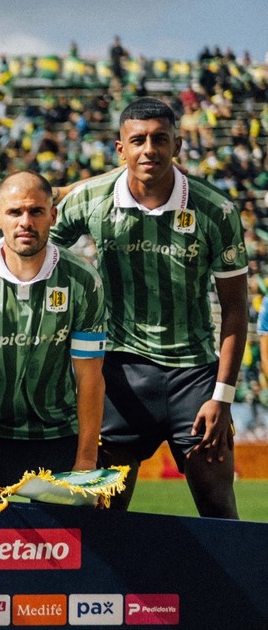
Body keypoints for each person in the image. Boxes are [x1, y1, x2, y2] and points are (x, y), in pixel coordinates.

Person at [52, 97, 247, 519]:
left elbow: (235, 310)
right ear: (120, 149)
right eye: (137, 140)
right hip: (119, 374)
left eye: (160, 139)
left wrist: (223, 397)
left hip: (194, 376)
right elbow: (32, 245)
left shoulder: (215, 210)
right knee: (103, 513)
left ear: (177, 145)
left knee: (220, 510)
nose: (149, 149)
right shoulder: (91, 199)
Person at [0, 171, 106, 497]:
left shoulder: (83, 280)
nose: (25, 222)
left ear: (53, 216)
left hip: (59, 434)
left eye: (36, 211)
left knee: (78, 531)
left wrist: (86, 461)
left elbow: (90, 377)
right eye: (15, 212)